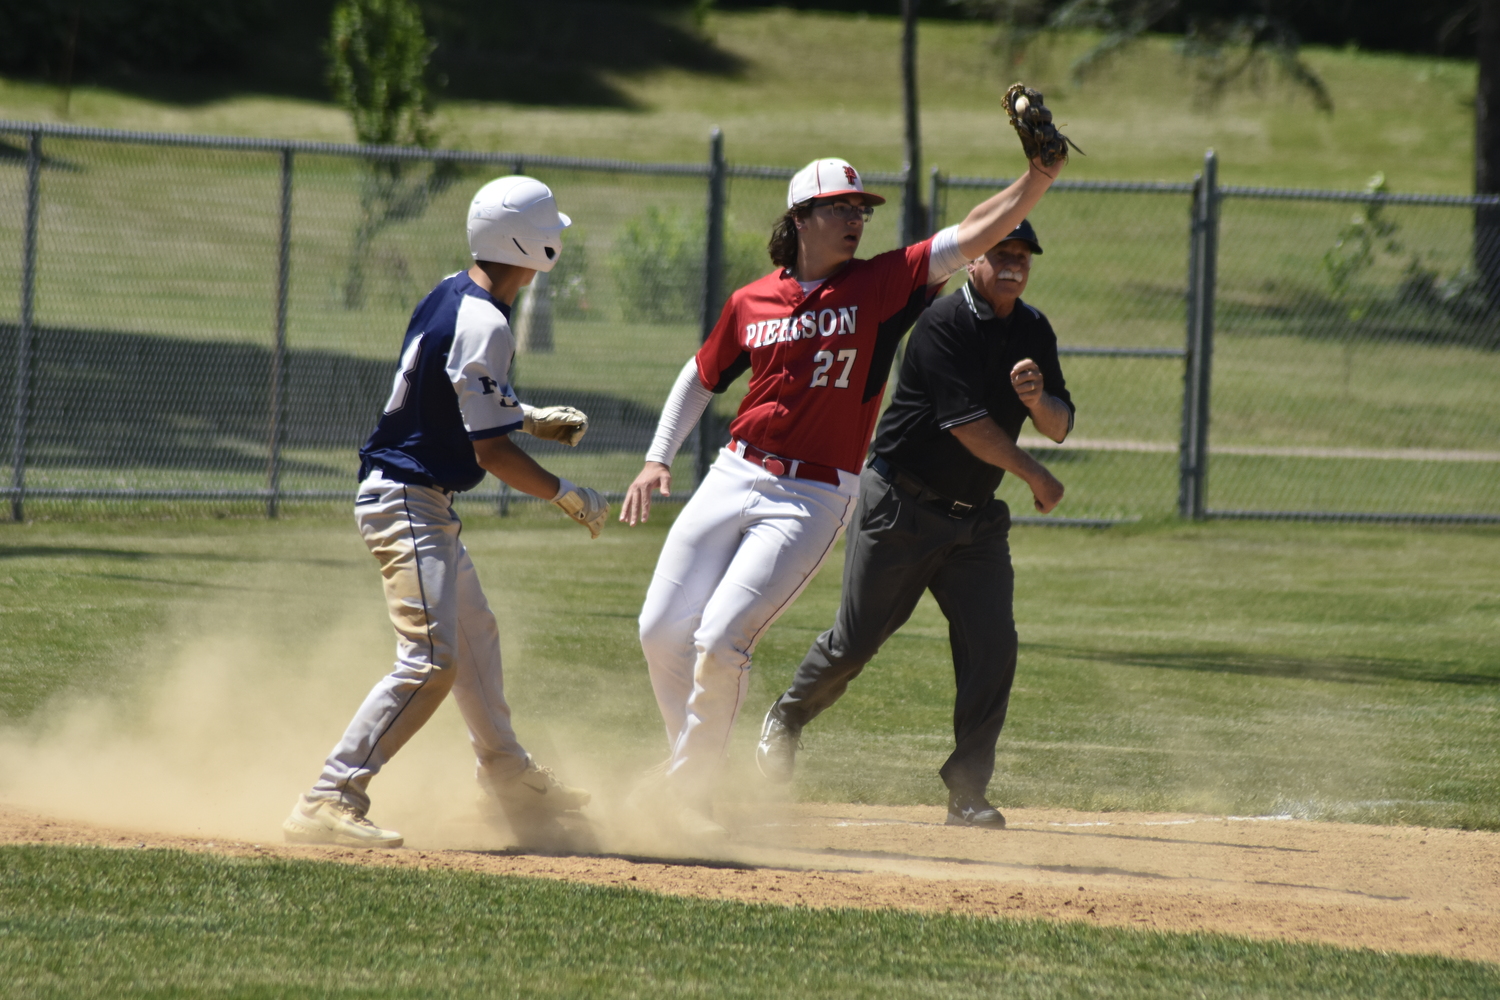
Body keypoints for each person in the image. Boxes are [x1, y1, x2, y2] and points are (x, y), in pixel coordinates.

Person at [620, 148, 1065, 839]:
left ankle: (690, 793)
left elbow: (973, 233)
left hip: (810, 494)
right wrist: (657, 460)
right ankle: (690, 765)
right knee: (659, 631)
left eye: (862, 210)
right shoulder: (752, 299)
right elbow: (702, 376)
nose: (856, 219)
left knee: (719, 641)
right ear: (801, 219)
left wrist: (1038, 178)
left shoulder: (882, 286)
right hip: (735, 470)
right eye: (840, 208)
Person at [282, 176, 609, 849]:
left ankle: (510, 781)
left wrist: (529, 414)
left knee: (475, 638)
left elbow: (451, 389)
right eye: (551, 230)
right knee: (431, 659)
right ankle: (329, 797)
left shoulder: (452, 290)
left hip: (416, 495)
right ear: (528, 243)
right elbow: (491, 453)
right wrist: (564, 493)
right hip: (407, 497)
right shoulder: (488, 319)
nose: (558, 241)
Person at [754, 218, 1072, 830]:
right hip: (900, 506)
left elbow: (1059, 422)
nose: (1014, 263)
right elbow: (967, 427)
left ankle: (967, 793)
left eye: (1024, 254)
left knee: (992, 646)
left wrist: (1038, 403)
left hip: (974, 523)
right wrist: (1036, 474)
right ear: (975, 259)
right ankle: (788, 715)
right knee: (857, 641)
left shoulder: (1033, 329)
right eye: (1000, 251)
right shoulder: (943, 324)